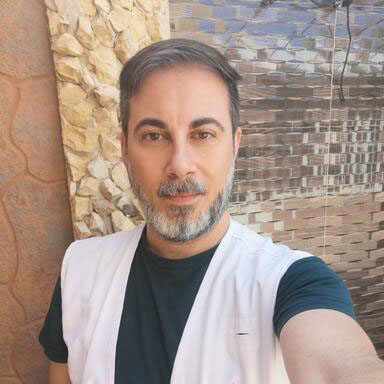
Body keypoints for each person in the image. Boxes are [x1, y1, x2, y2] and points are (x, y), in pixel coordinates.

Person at [39, 39, 384, 384]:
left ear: (234, 145)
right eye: (154, 136)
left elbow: (345, 366)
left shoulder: (291, 282)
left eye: (203, 134)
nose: (180, 165)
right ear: (125, 150)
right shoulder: (80, 269)